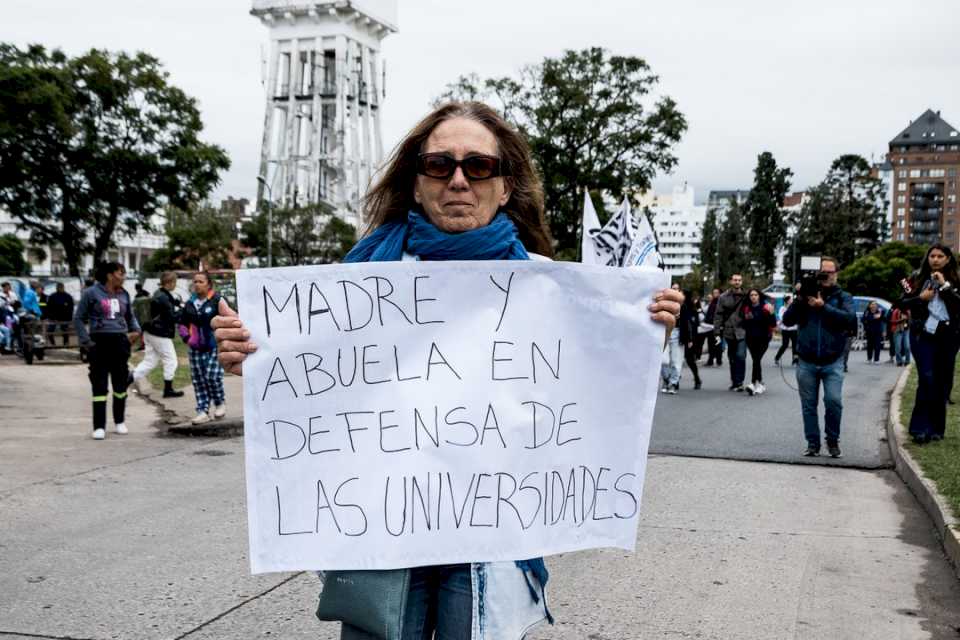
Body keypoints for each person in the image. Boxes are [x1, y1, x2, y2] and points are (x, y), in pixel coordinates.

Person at [209, 101, 684, 640]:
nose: (458, 179)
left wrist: (641, 336)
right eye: (440, 165)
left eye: (478, 166)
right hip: (382, 528)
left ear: (505, 187)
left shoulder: (555, 289)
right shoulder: (356, 282)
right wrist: (254, 355)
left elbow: (598, 394)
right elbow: (315, 382)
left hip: (491, 530)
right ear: (416, 183)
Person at [782, 256, 856, 458]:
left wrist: (823, 307)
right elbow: (787, 320)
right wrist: (799, 300)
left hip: (833, 360)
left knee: (833, 401)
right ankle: (812, 443)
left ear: (836, 274)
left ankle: (832, 440)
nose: (825, 276)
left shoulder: (843, 297)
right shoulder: (804, 297)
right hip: (806, 360)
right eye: (821, 272)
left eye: (829, 272)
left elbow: (850, 320)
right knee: (808, 405)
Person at [74, 262, 141, 440]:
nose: (124, 276)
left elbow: (130, 317)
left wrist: (136, 330)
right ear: (110, 275)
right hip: (99, 343)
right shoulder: (91, 293)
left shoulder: (124, 294)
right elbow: (79, 318)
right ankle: (99, 426)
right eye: (121, 273)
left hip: (119, 342)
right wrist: (86, 341)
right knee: (99, 385)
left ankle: (119, 421)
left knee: (120, 384)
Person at [900, 244, 960, 444]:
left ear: (948, 259)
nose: (935, 259)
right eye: (932, 256)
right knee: (926, 378)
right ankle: (919, 428)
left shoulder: (956, 280)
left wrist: (944, 286)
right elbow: (901, 303)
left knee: (941, 382)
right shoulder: (914, 278)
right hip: (923, 335)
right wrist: (920, 298)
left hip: (948, 336)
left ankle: (936, 428)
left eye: (940, 256)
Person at [179, 271, 226, 425]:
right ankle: (202, 411)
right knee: (198, 380)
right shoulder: (190, 303)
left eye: (200, 281)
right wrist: (187, 338)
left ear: (209, 284)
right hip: (195, 349)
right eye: (195, 282)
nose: (197, 285)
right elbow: (182, 323)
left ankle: (219, 403)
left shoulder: (217, 301)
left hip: (214, 346)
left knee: (212, 376)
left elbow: (227, 319)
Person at [132, 271, 184, 399]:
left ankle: (126, 380)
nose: (175, 285)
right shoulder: (163, 297)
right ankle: (168, 389)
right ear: (169, 282)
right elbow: (171, 318)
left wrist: (175, 303)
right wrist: (183, 310)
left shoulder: (159, 293)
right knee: (171, 360)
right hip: (160, 333)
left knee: (150, 361)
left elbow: (164, 308)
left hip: (150, 332)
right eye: (174, 283)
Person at [714, 274, 748, 391]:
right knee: (732, 357)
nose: (737, 282)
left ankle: (740, 382)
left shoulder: (746, 296)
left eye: (739, 280)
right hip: (728, 331)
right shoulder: (723, 297)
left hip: (742, 330)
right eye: (735, 280)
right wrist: (717, 333)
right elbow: (718, 315)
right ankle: (734, 381)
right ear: (731, 281)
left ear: (741, 282)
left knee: (741, 356)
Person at [742, 288, 776, 395]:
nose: (753, 297)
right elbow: (744, 324)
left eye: (755, 295)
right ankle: (761, 384)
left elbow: (773, 324)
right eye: (751, 295)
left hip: (764, 338)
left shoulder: (766, 307)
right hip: (750, 339)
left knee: (756, 359)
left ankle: (753, 383)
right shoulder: (746, 308)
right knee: (756, 360)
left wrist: (772, 313)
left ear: (759, 296)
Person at [680, 290, 702, 390]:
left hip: (690, 337)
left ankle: (697, 378)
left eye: (682, 293)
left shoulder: (691, 307)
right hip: (678, 336)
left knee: (690, 360)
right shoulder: (677, 305)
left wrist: (691, 339)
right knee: (675, 360)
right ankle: (674, 380)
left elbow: (694, 324)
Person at [774, 295, 798, 366]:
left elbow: (797, 317)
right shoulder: (782, 308)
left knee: (795, 345)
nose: (792, 301)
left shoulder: (795, 308)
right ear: (787, 301)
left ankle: (795, 359)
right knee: (785, 345)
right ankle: (777, 358)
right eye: (791, 300)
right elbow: (782, 318)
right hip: (785, 329)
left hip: (794, 329)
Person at [703, 288, 723, 366]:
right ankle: (711, 360)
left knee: (717, 343)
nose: (715, 294)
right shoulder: (713, 302)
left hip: (717, 327)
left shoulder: (721, 302)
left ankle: (718, 360)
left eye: (716, 292)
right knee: (711, 344)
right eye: (714, 292)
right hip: (710, 327)